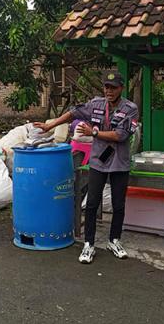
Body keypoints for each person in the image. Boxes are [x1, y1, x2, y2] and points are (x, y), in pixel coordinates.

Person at [35, 71, 139, 264]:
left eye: (113, 87)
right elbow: (73, 112)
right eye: (106, 87)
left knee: (118, 205)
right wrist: (50, 126)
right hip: (98, 161)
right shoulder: (95, 104)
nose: (109, 91)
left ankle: (114, 240)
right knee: (91, 203)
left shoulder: (130, 108)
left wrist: (94, 132)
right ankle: (89, 244)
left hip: (120, 163)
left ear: (121, 88)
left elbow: (120, 136)